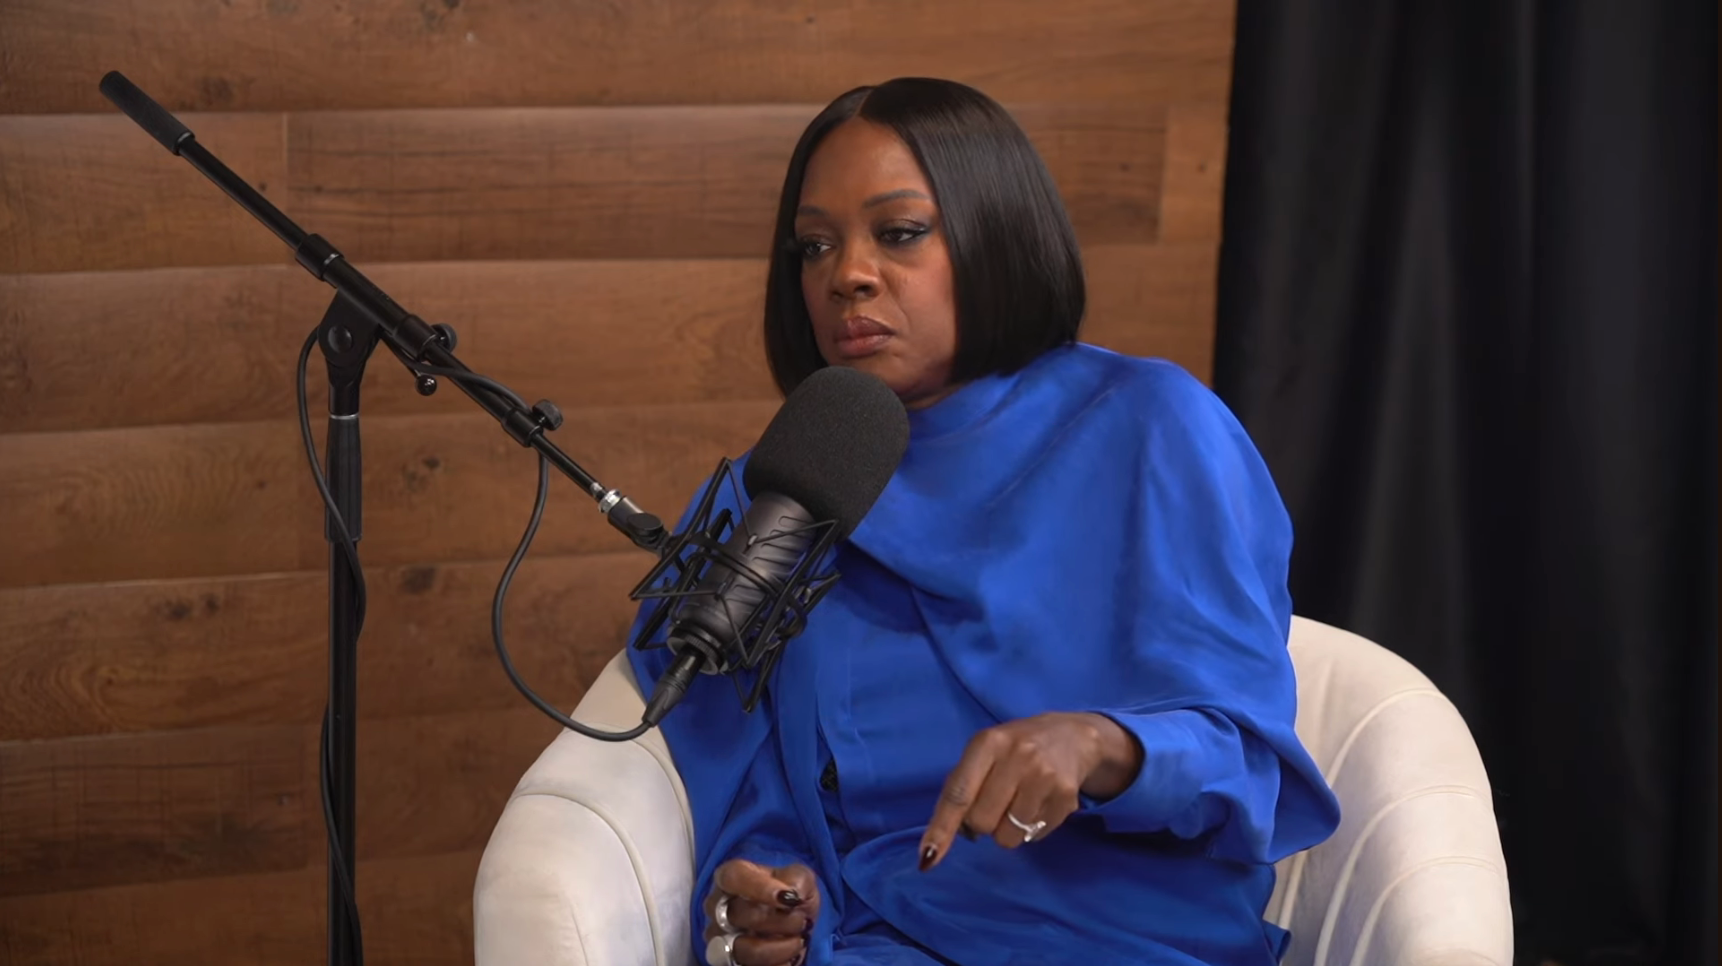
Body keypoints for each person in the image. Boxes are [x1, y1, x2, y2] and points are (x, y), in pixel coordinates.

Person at [626, 77, 1341, 966]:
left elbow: (1244, 761)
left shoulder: (1151, 428)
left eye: (899, 233)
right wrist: (771, 898)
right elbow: (735, 787)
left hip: (1128, 942)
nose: (845, 274)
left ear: (994, 232)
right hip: (873, 945)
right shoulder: (775, 493)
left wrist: (1104, 744)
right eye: (812, 246)